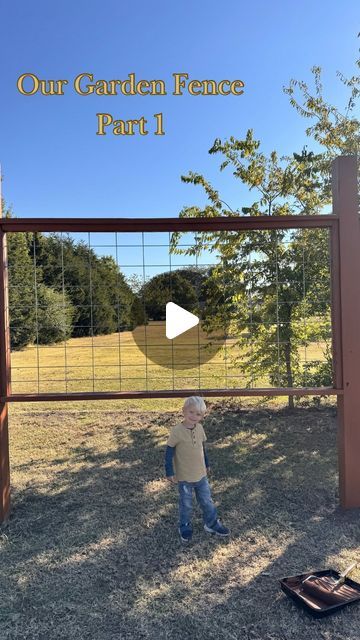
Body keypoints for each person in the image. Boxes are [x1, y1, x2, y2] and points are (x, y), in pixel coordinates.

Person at [165, 395, 229, 543]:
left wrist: (206, 464)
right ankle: (185, 526)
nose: (194, 416)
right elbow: (169, 452)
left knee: (206, 500)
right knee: (186, 503)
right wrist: (169, 471)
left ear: (202, 416)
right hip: (184, 476)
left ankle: (212, 523)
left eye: (198, 414)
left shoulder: (200, 428)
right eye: (191, 412)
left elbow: (202, 448)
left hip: (200, 474)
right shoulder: (177, 431)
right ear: (184, 411)